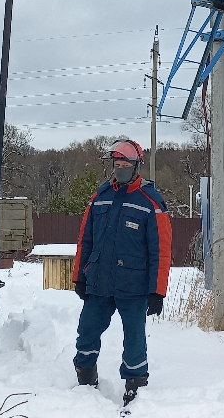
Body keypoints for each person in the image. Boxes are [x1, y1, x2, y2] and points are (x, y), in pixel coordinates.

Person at [71, 139, 172, 407]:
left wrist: (157, 291)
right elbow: (86, 240)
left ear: (137, 165)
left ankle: (135, 383)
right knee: (87, 330)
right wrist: (79, 276)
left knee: (134, 338)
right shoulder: (100, 197)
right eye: (117, 164)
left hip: (134, 286)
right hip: (100, 282)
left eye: (125, 164)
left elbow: (161, 251)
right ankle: (85, 375)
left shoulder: (151, 201)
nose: (121, 168)